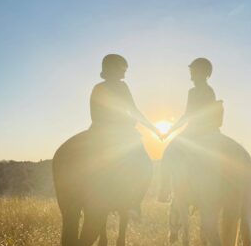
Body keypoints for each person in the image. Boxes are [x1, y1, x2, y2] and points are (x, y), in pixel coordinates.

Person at [89, 54, 160, 217]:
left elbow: (94, 114)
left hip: (97, 131)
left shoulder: (97, 87)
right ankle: (133, 203)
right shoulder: (122, 87)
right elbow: (134, 110)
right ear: (114, 68)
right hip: (119, 133)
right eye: (123, 69)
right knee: (146, 165)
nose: (125, 73)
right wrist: (152, 128)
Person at [158, 57, 224, 202]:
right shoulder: (208, 90)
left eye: (193, 70)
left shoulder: (195, 91)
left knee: (168, 152)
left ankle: (165, 189)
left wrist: (170, 131)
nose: (191, 73)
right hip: (209, 130)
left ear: (201, 72)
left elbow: (188, 115)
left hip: (195, 131)